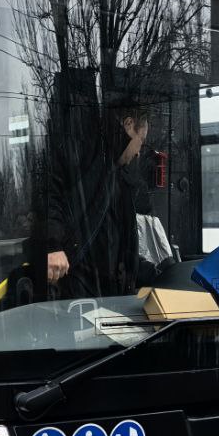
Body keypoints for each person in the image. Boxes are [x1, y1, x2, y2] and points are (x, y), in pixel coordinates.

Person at [42, 98, 150, 299]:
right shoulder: (88, 152)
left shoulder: (114, 171)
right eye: (141, 140)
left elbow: (113, 239)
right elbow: (51, 194)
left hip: (105, 291)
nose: (138, 153)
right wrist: (52, 245)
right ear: (128, 125)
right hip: (78, 288)